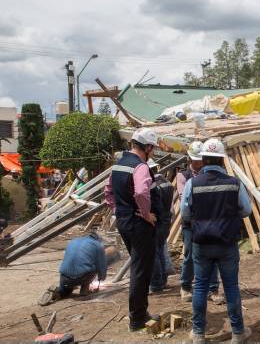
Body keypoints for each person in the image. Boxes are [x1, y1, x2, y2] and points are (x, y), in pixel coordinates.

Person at [180, 138, 252, 344]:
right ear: (222, 160)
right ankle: (238, 333)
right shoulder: (234, 183)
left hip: (201, 243)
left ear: (203, 159)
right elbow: (246, 210)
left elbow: (185, 213)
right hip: (227, 243)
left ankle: (199, 334)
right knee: (231, 286)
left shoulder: (193, 183)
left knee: (200, 287)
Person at [103, 128, 160, 332]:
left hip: (125, 223)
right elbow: (142, 192)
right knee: (141, 270)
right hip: (139, 225)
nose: (152, 153)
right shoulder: (140, 167)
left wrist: (119, 209)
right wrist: (146, 214)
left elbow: (108, 192)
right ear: (147, 147)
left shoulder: (118, 166)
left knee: (138, 265)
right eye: (152, 149)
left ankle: (139, 313)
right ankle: (137, 317)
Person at [177, 141, 223, 303]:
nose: (197, 163)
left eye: (200, 160)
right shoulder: (183, 176)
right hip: (191, 224)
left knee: (213, 255)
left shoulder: (209, 175)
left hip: (209, 222)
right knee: (189, 255)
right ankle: (186, 286)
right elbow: (185, 201)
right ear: (190, 159)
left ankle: (213, 289)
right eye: (195, 160)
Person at [38, 231, 107, 306]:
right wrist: (101, 277)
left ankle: (58, 292)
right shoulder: (98, 245)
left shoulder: (73, 241)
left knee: (67, 290)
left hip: (64, 276)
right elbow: (102, 265)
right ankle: (84, 291)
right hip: (83, 276)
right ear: (98, 239)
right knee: (94, 266)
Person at [148, 159, 175, 293]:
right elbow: (171, 208)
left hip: (156, 220)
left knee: (155, 253)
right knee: (160, 249)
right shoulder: (167, 183)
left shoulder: (152, 185)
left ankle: (157, 283)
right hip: (166, 221)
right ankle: (163, 279)